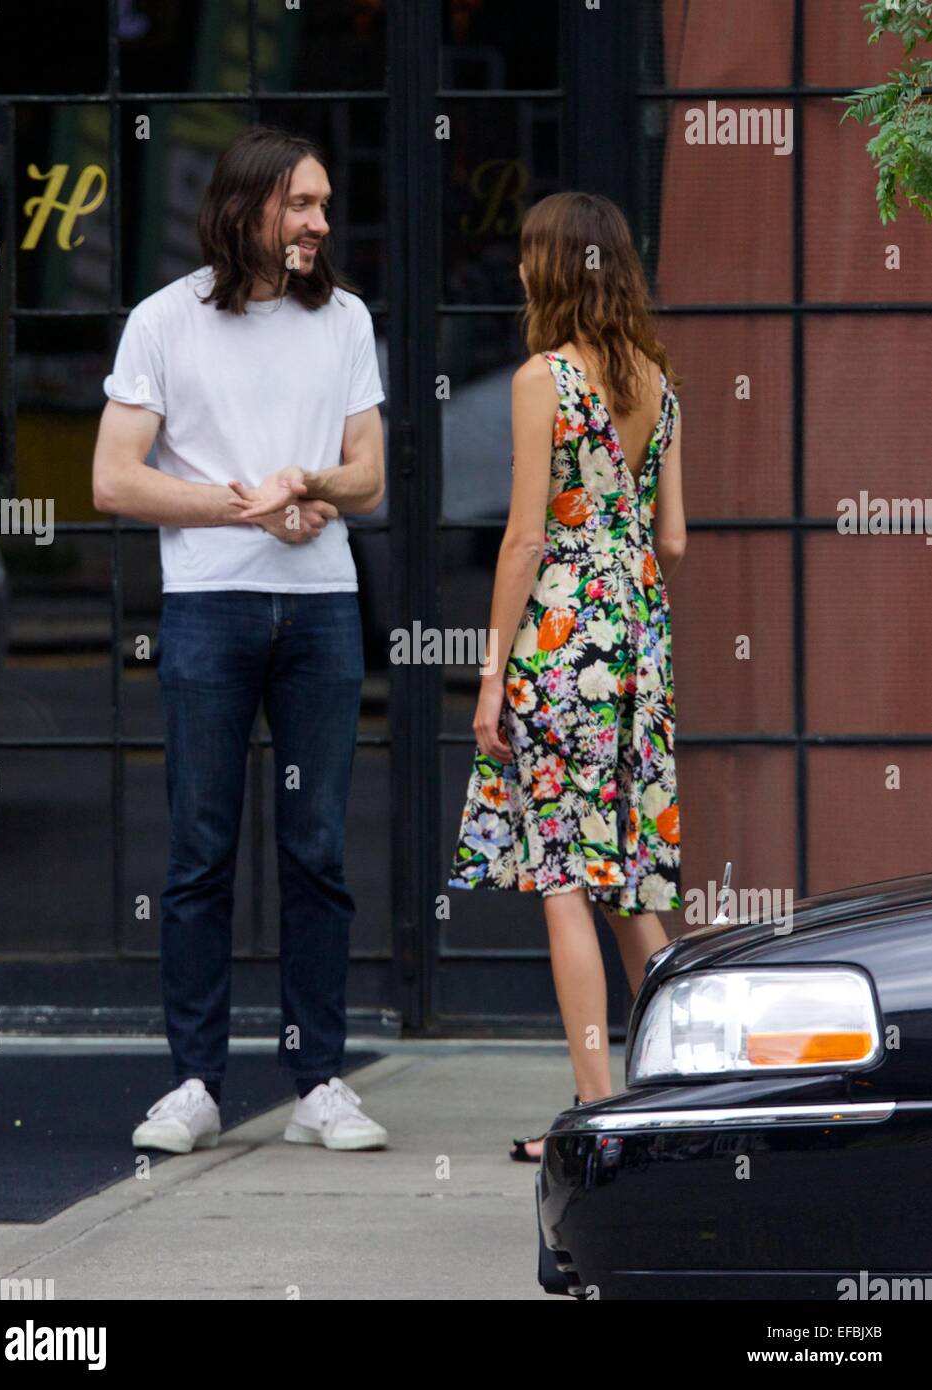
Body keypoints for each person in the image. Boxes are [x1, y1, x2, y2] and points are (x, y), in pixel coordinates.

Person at [92, 124, 388, 1154]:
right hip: (209, 607)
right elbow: (114, 477)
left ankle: (318, 1082)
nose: (318, 222)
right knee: (198, 851)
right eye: (300, 205)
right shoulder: (162, 323)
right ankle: (192, 1082)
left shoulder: (344, 319)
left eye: (321, 205)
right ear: (245, 208)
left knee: (316, 852)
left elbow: (367, 473)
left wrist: (305, 485)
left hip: (321, 608)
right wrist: (244, 509)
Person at [448, 192, 686, 1160]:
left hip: (561, 641)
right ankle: (686, 1084)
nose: (515, 271)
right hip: (637, 639)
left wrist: (488, 672)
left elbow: (519, 539)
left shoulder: (540, 379)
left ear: (551, 272)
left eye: (526, 257)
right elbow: (670, 537)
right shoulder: (660, 386)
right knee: (628, 875)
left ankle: (595, 1112)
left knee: (562, 877)